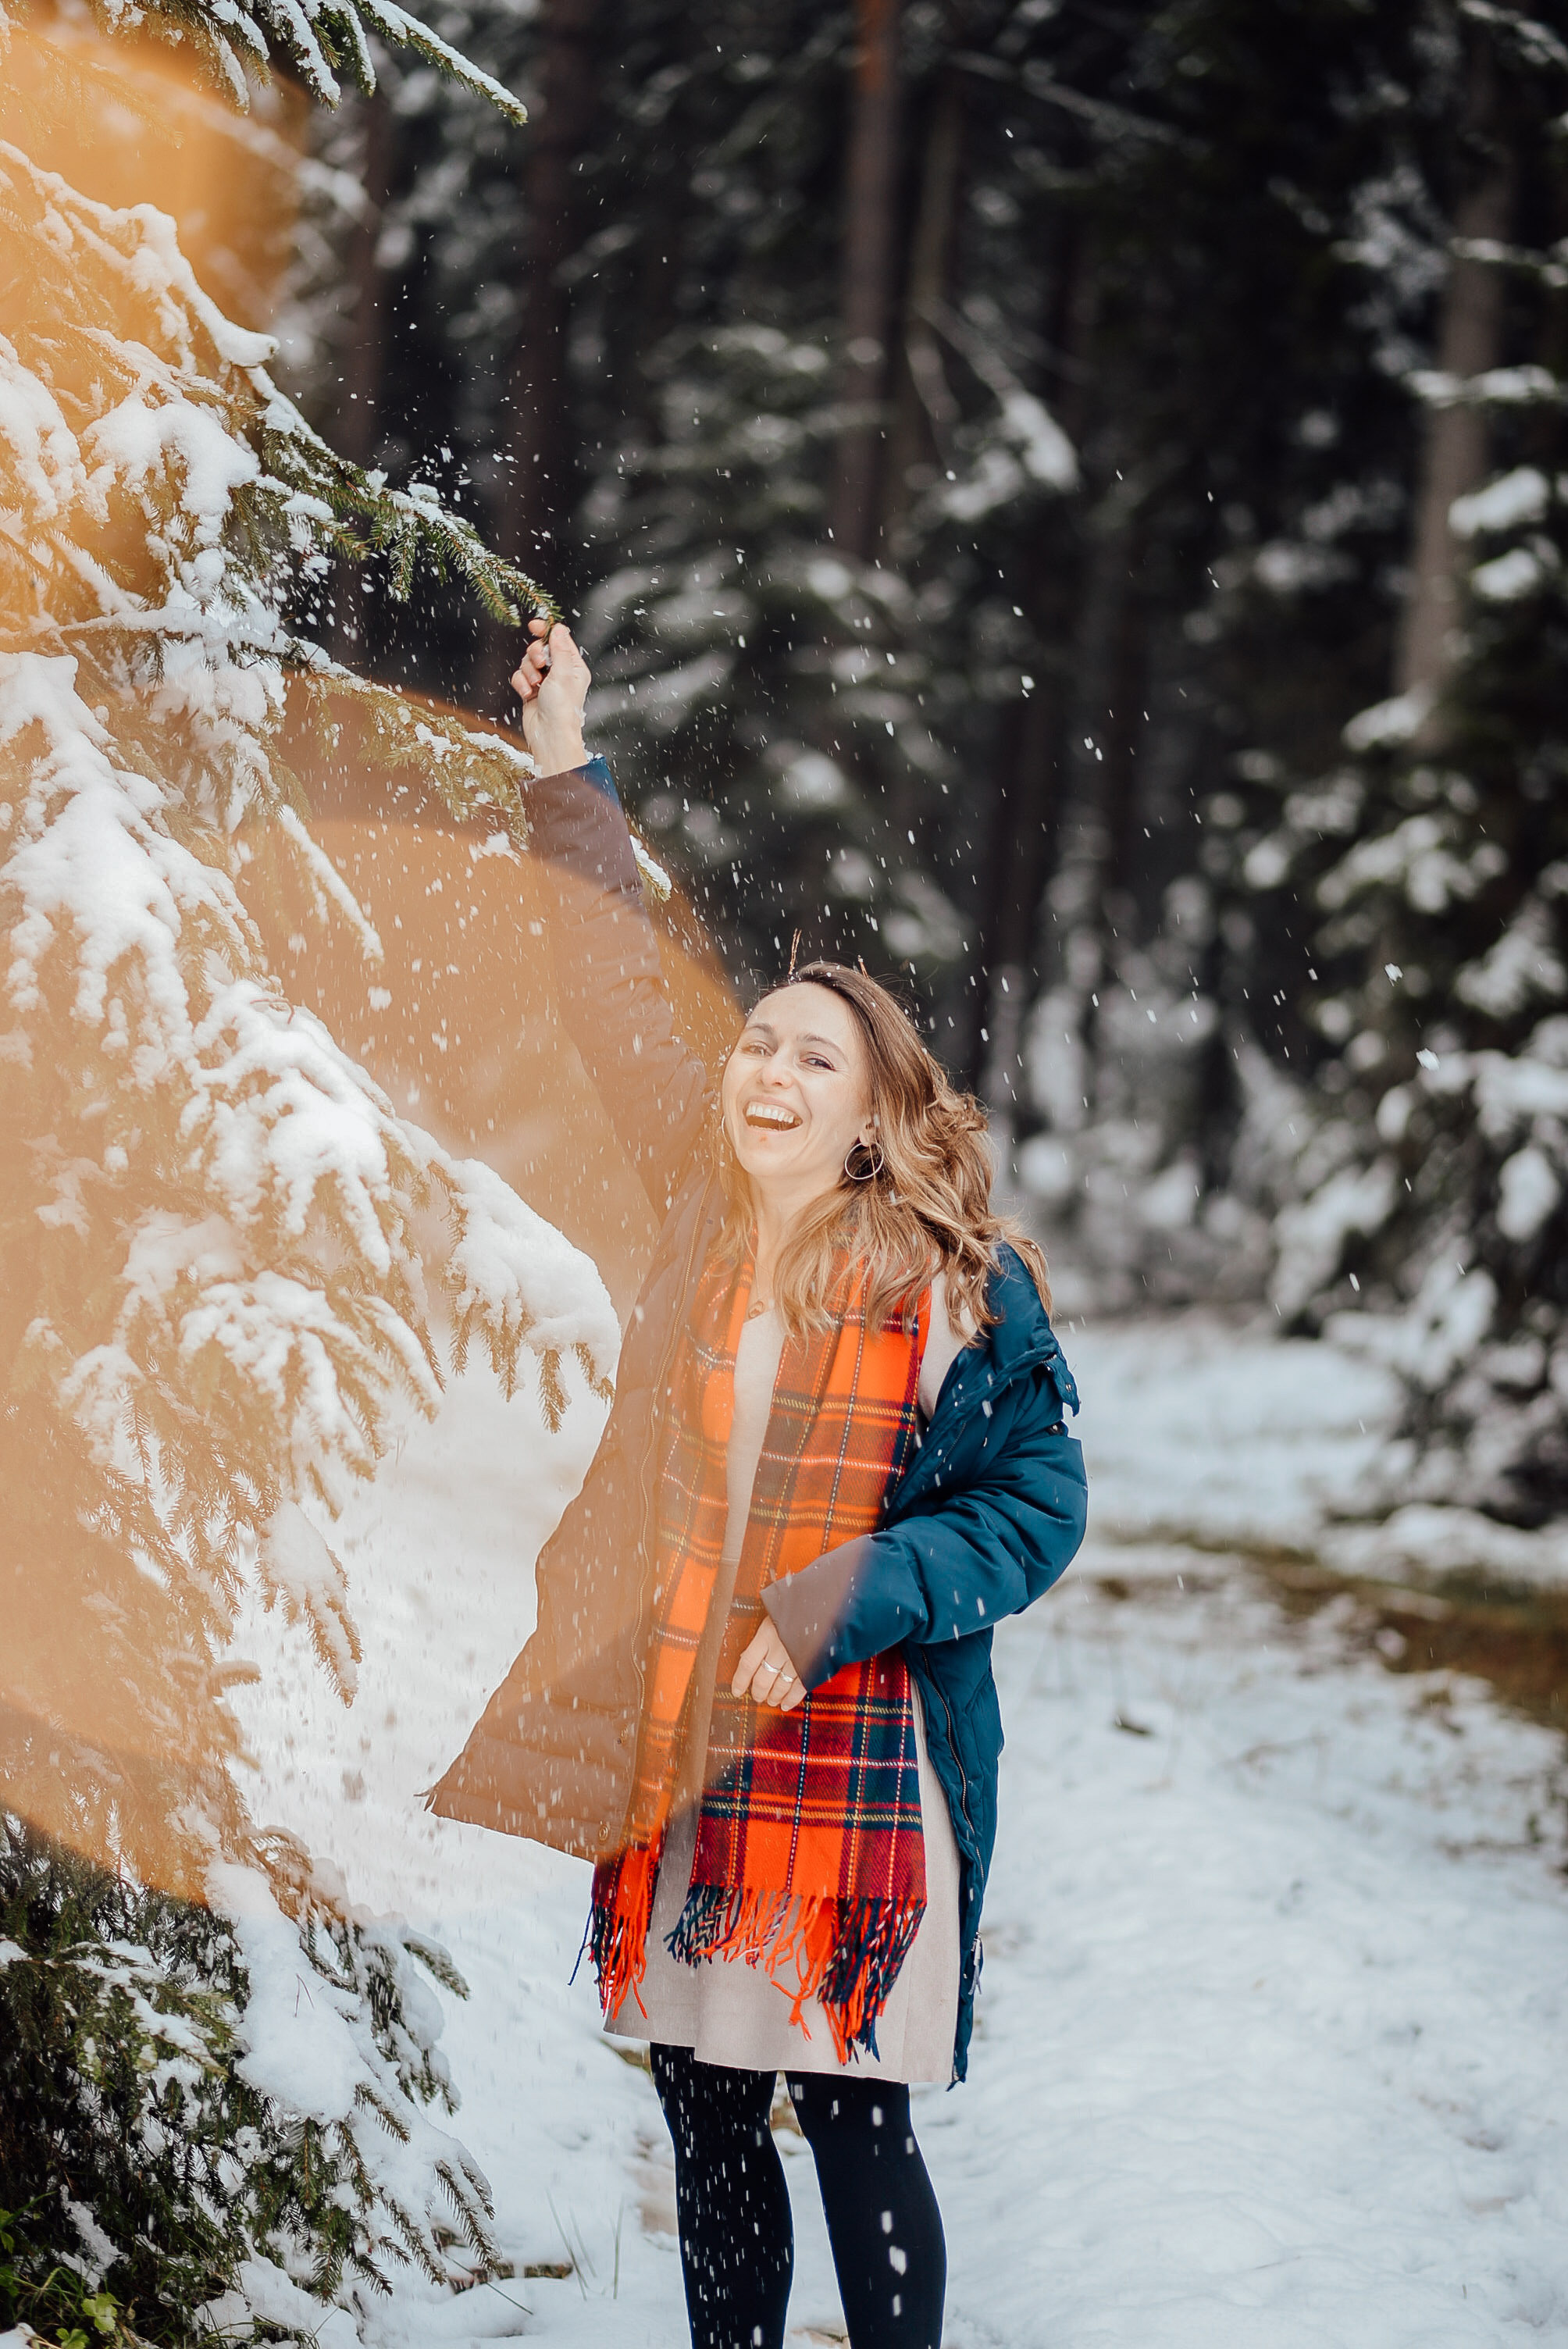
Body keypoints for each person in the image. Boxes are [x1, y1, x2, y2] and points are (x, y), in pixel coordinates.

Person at [429, 620, 1088, 2349]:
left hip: (858, 1760)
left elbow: (1035, 1510)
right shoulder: (700, 1224)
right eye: (757, 1045)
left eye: (813, 1054)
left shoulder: (957, 1285)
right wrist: (562, 759)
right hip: (681, 1726)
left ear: (874, 1110)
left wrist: (843, 1598)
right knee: (703, 2107)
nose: (765, 1070)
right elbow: (609, 988)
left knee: (851, 2106)